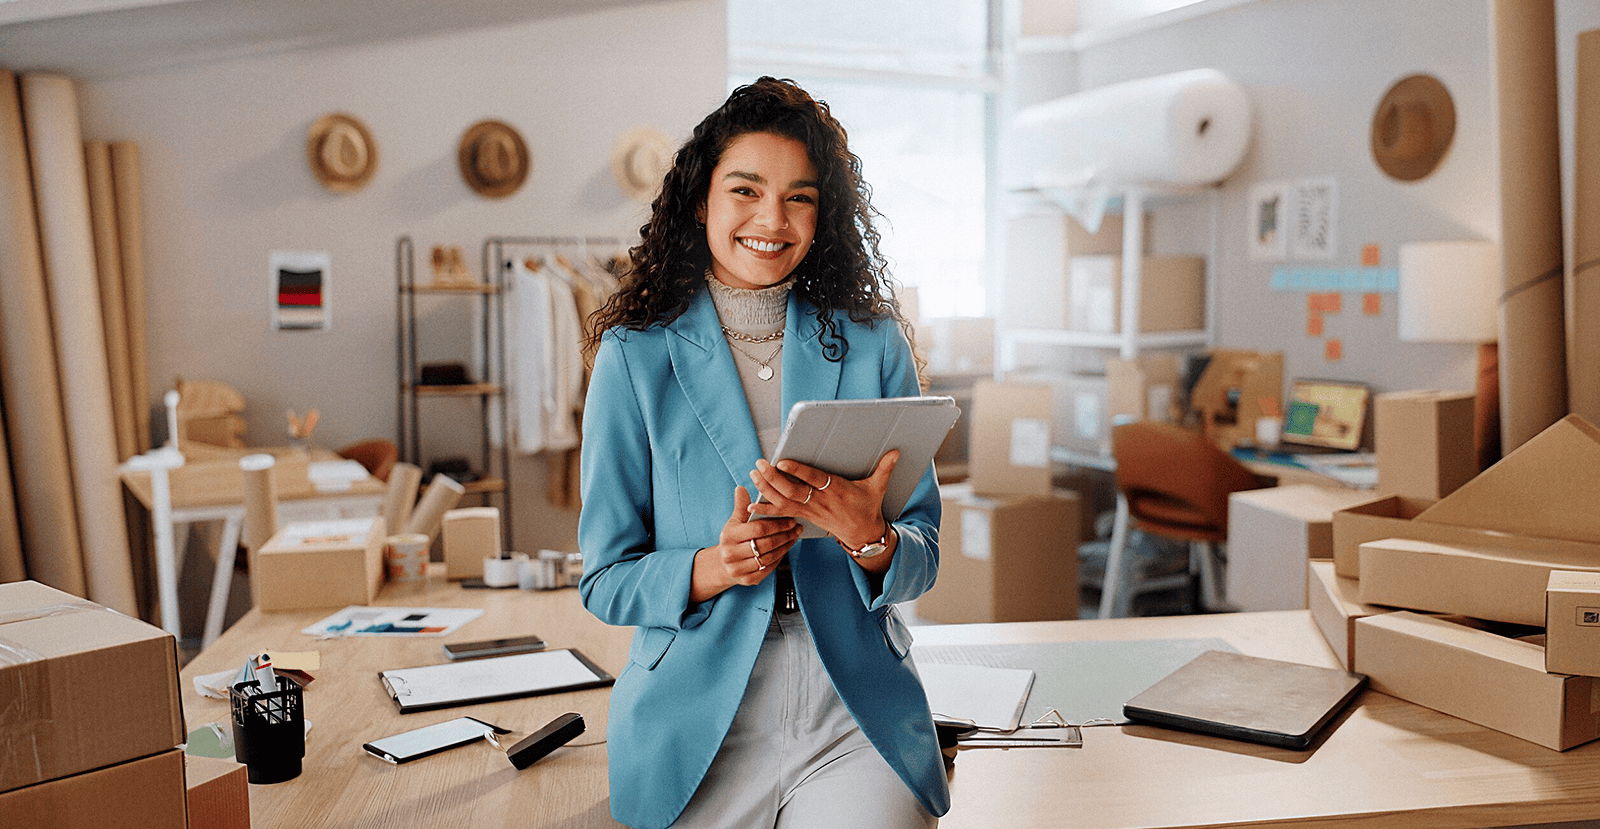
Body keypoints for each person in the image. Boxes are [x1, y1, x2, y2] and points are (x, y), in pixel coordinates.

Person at [578, 77, 950, 829]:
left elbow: (925, 550)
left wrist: (871, 539)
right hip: (697, 714)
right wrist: (714, 567)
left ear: (824, 214)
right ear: (700, 200)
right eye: (745, 189)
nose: (771, 220)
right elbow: (604, 580)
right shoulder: (633, 358)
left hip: (849, 706)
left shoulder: (873, 343)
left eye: (800, 198)